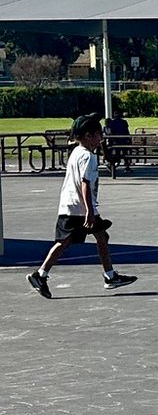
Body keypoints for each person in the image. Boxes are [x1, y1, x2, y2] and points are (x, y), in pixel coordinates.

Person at [27, 115, 136, 297]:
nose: (101, 138)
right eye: (98, 135)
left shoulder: (77, 152)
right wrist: (90, 212)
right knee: (65, 242)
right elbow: (85, 183)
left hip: (72, 204)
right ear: (88, 136)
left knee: (100, 236)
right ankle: (40, 274)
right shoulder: (88, 157)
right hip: (80, 208)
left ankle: (110, 276)